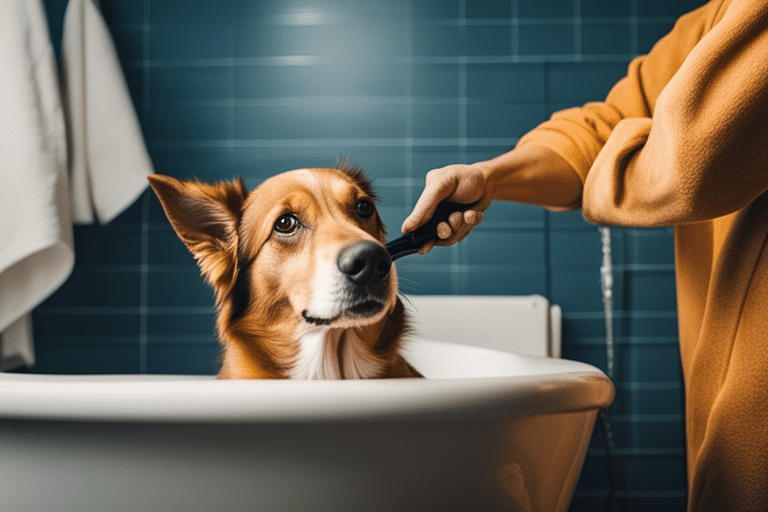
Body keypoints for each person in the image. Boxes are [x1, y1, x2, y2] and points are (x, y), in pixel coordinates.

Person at [402, 0, 768, 510]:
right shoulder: (714, 18)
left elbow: (691, 163)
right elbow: (607, 123)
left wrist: (623, 153)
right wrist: (491, 178)